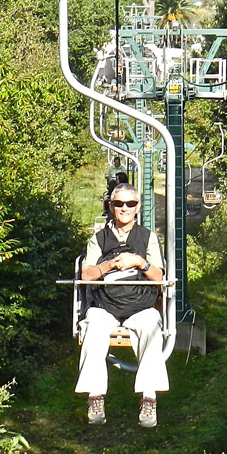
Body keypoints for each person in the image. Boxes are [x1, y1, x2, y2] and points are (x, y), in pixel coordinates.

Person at [75, 183, 168, 427]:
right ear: (111, 206)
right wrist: (110, 265)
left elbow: (159, 276)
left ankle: (149, 398)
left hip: (139, 305)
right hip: (106, 305)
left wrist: (139, 262)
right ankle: (95, 396)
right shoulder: (98, 240)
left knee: (151, 325)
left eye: (130, 204)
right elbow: (86, 275)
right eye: (119, 204)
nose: (124, 208)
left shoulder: (147, 238)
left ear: (137, 208)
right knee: (93, 325)